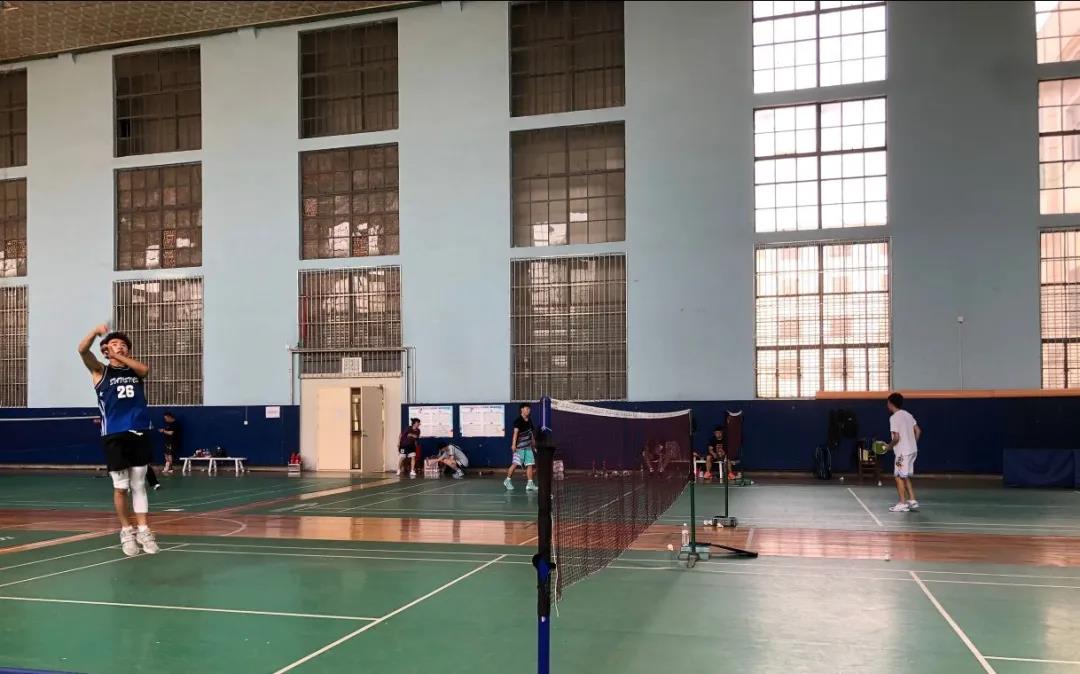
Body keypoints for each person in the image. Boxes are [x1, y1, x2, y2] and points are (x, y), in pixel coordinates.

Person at [79, 324, 160, 556]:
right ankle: (126, 531)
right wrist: (95, 333)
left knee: (139, 485)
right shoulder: (100, 371)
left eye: (124, 345)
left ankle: (144, 530)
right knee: (121, 487)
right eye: (114, 344)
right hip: (114, 434)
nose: (120, 346)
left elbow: (145, 369)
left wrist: (118, 355)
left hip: (139, 431)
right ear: (105, 350)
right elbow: (82, 350)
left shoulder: (135, 372)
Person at [886, 392, 921, 512]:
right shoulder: (908, 415)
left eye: (887, 403)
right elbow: (918, 431)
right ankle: (912, 500)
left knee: (898, 476)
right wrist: (912, 444)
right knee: (904, 475)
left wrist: (889, 447)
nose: (887, 405)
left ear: (891, 404)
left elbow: (896, 438)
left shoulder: (894, 418)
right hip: (912, 451)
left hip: (902, 452)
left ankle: (902, 503)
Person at [505, 403, 537, 492]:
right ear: (522, 410)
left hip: (528, 447)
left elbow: (531, 434)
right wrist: (513, 445)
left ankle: (530, 484)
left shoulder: (529, 420)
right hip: (519, 448)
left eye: (529, 409)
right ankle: (507, 480)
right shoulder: (518, 421)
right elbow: (515, 434)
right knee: (515, 464)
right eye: (527, 409)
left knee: (530, 464)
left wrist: (534, 446)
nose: (529, 410)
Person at [158, 411, 180, 475]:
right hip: (167, 441)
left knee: (170, 454)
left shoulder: (175, 424)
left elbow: (171, 433)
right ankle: (167, 466)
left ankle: (170, 468)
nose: (165, 420)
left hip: (172, 442)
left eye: (166, 418)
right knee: (166, 454)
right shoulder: (168, 424)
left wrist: (163, 431)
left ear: (169, 417)